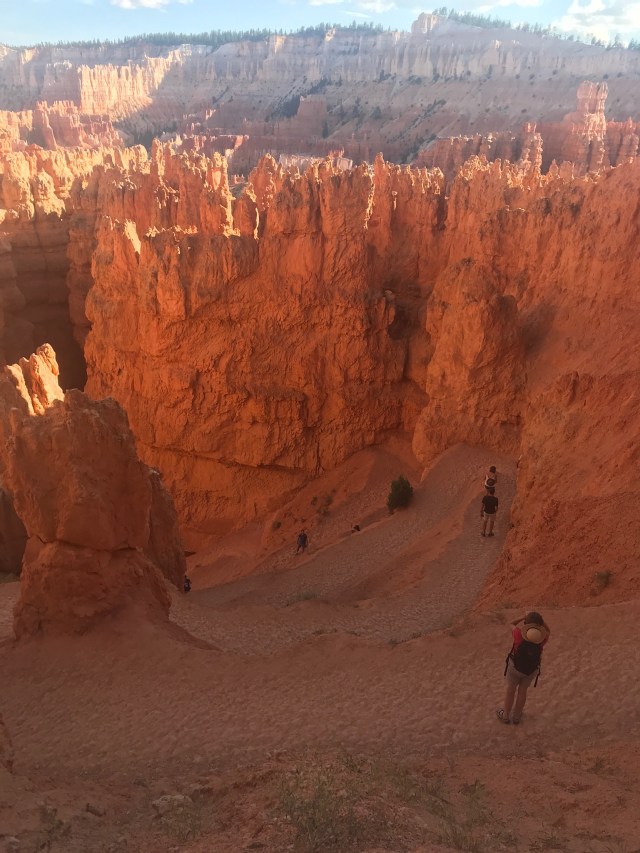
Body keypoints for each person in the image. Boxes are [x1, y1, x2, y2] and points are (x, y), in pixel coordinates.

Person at [496, 612, 550, 725]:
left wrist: (523, 617)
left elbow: (511, 623)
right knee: (522, 692)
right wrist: (541, 622)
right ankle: (516, 717)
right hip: (530, 670)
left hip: (515, 668)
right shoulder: (542, 639)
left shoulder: (518, 634)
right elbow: (548, 631)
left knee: (510, 690)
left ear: (526, 625)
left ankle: (505, 716)